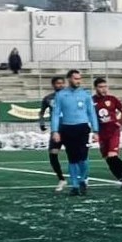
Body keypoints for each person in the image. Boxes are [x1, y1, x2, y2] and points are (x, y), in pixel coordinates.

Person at [50, 68, 99, 196]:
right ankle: (75, 186)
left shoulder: (85, 94)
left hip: (82, 128)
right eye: (76, 78)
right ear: (69, 79)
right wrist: (55, 131)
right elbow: (56, 114)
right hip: (67, 128)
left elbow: (91, 113)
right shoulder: (61, 95)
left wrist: (96, 130)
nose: (78, 81)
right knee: (72, 159)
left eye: (79, 79)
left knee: (83, 158)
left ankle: (83, 179)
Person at [93, 77, 122, 190]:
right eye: (101, 87)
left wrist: (120, 122)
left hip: (113, 131)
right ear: (96, 88)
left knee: (112, 155)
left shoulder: (112, 99)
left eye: (105, 87)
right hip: (101, 133)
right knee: (108, 158)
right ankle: (121, 179)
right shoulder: (91, 101)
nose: (104, 89)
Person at [39, 75, 67, 193]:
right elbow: (41, 112)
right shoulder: (48, 98)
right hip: (56, 130)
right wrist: (42, 123)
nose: (60, 85)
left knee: (75, 155)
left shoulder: (69, 96)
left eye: (62, 83)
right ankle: (61, 179)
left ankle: (81, 180)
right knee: (53, 153)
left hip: (70, 128)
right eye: (58, 83)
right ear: (53, 85)